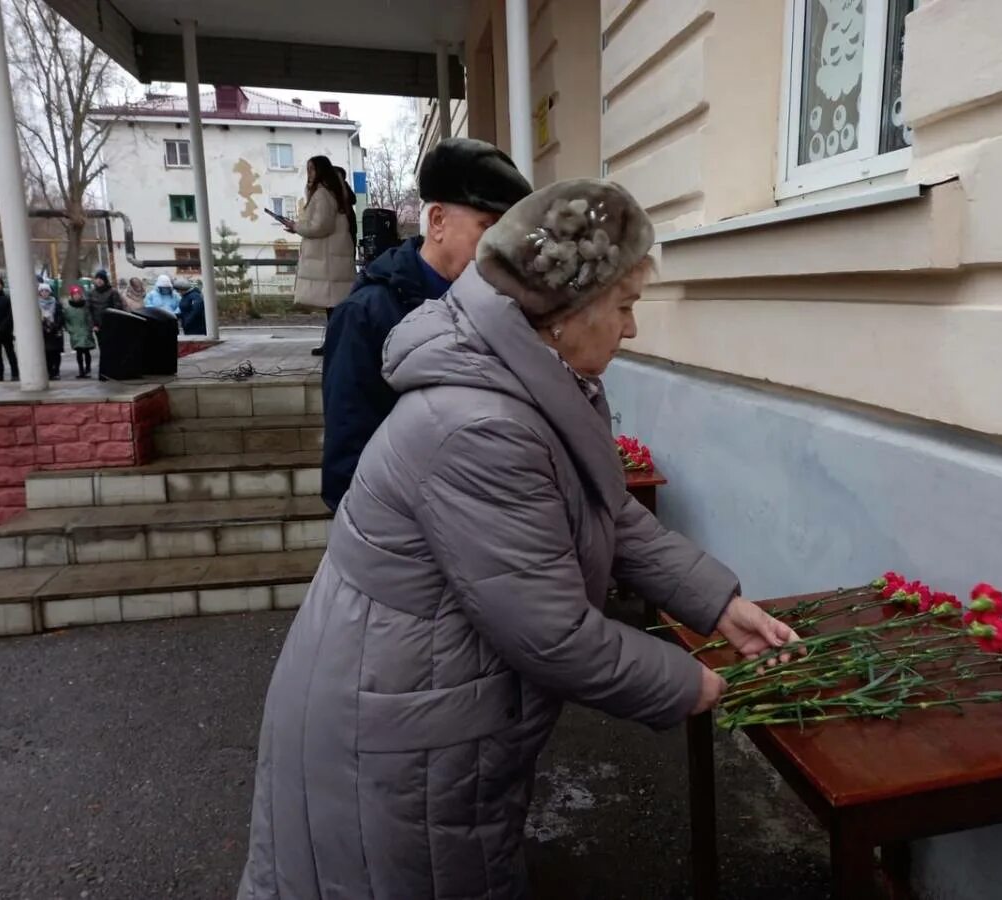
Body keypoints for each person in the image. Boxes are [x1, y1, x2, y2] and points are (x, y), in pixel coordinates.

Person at [238, 179, 800, 900]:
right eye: (624, 307)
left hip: (424, 698)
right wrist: (695, 683)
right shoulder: (484, 427)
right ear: (565, 314)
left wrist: (718, 607)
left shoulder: (534, 380)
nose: (632, 329)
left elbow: (610, 512)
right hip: (394, 727)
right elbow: (553, 633)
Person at [319, 138, 532, 510]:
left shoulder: (503, 307)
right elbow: (347, 470)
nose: (502, 249)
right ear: (437, 222)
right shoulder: (365, 315)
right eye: (488, 228)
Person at [283, 155, 356, 356]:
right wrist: (298, 227)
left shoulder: (322, 194)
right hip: (333, 256)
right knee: (334, 306)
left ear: (320, 171)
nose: (309, 174)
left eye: (312, 169)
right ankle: (337, 344)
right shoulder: (334, 192)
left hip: (327, 258)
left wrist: (297, 227)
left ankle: (334, 345)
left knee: (332, 306)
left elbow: (321, 226)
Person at [62, 284, 96, 378]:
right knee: (79, 352)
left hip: (85, 332)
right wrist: (70, 329)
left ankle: (88, 368)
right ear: (72, 296)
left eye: (78, 294)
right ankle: (81, 370)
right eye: (74, 294)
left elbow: (89, 318)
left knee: (86, 351)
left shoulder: (85, 307)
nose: (76, 296)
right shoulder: (68, 309)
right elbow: (66, 321)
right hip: (75, 333)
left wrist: (90, 328)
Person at [37, 282, 65, 380]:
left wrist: (56, 325)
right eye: (42, 291)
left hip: (55, 331)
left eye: (46, 291)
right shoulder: (36, 304)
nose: (44, 293)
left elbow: (61, 317)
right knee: (46, 353)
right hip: (43, 332)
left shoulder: (56, 303)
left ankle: (56, 371)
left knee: (56, 353)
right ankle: (48, 371)